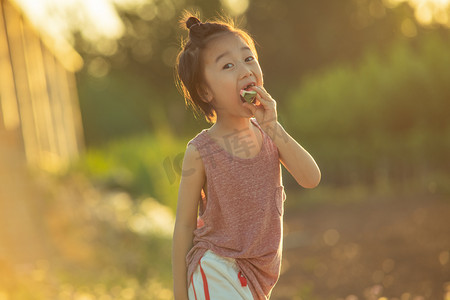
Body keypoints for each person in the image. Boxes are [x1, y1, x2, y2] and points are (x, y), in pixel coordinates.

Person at [172, 12, 321, 300]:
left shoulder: (269, 134)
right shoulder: (201, 151)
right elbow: (184, 226)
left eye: (248, 58)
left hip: (255, 281)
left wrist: (273, 127)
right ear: (205, 91)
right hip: (215, 269)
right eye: (228, 65)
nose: (244, 70)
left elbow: (311, 178)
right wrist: (180, 293)